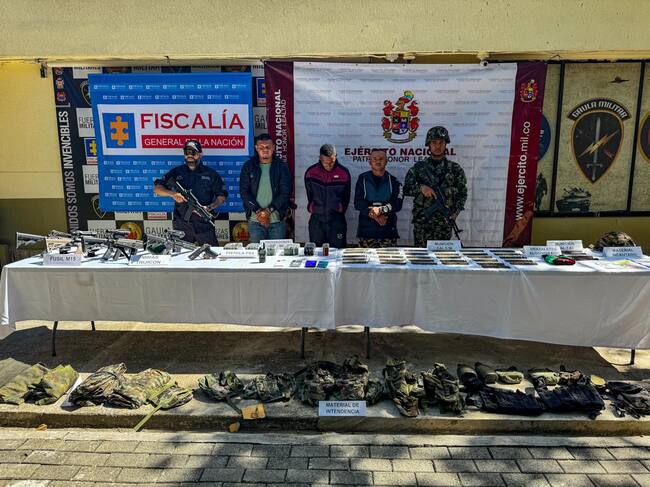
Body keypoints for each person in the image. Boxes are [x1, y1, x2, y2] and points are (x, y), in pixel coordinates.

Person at [153, 139, 227, 245]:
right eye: (187, 152)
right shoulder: (176, 172)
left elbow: (222, 196)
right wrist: (172, 194)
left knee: (210, 253)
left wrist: (209, 207)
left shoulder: (211, 174)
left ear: (200, 154)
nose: (190, 155)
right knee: (180, 254)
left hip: (204, 225)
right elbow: (157, 189)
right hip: (181, 224)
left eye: (193, 152)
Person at [404, 126, 467, 246]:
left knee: (441, 255)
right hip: (422, 224)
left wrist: (455, 213)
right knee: (421, 255)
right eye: (434, 142)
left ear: (446, 144)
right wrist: (421, 188)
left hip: (444, 224)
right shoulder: (418, 168)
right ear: (428, 144)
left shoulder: (455, 169)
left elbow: (462, 193)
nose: (437, 146)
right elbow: (406, 189)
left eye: (441, 142)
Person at [239, 133, 292, 242]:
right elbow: (244, 192)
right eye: (261, 147)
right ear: (256, 148)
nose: (265, 150)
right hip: (255, 221)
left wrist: (268, 211)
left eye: (268, 147)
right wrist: (258, 211)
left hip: (276, 221)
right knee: (257, 252)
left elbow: (285, 192)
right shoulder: (248, 166)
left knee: (277, 252)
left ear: (273, 147)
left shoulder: (281, 166)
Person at [304, 144, 351, 248]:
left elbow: (346, 197)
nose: (329, 166)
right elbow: (309, 194)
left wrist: (340, 208)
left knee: (338, 252)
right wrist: (313, 207)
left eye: (332, 162)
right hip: (317, 220)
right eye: (326, 163)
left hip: (336, 220)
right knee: (316, 252)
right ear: (320, 158)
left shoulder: (344, 172)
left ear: (335, 157)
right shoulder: (311, 172)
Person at [354, 149, 403, 248]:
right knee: (364, 259)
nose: (378, 161)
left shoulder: (394, 181)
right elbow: (358, 203)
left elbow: (397, 204)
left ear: (386, 161)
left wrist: (381, 210)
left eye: (381, 159)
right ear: (370, 162)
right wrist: (375, 214)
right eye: (374, 159)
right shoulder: (362, 179)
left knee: (388, 259)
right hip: (366, 232)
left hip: (388, 232)